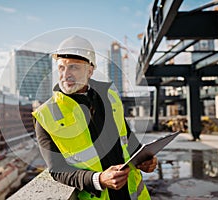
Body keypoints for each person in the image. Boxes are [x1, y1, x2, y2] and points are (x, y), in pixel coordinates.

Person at [32, 35, 157, 200]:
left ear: (90, 71)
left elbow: (128, 139)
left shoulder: (111, 97)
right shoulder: (46, 115)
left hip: (130, 193)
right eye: (61, 68)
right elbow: (57, 170)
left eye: (74, 68)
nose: (65, 74)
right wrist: (98, 180)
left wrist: (145, 159)